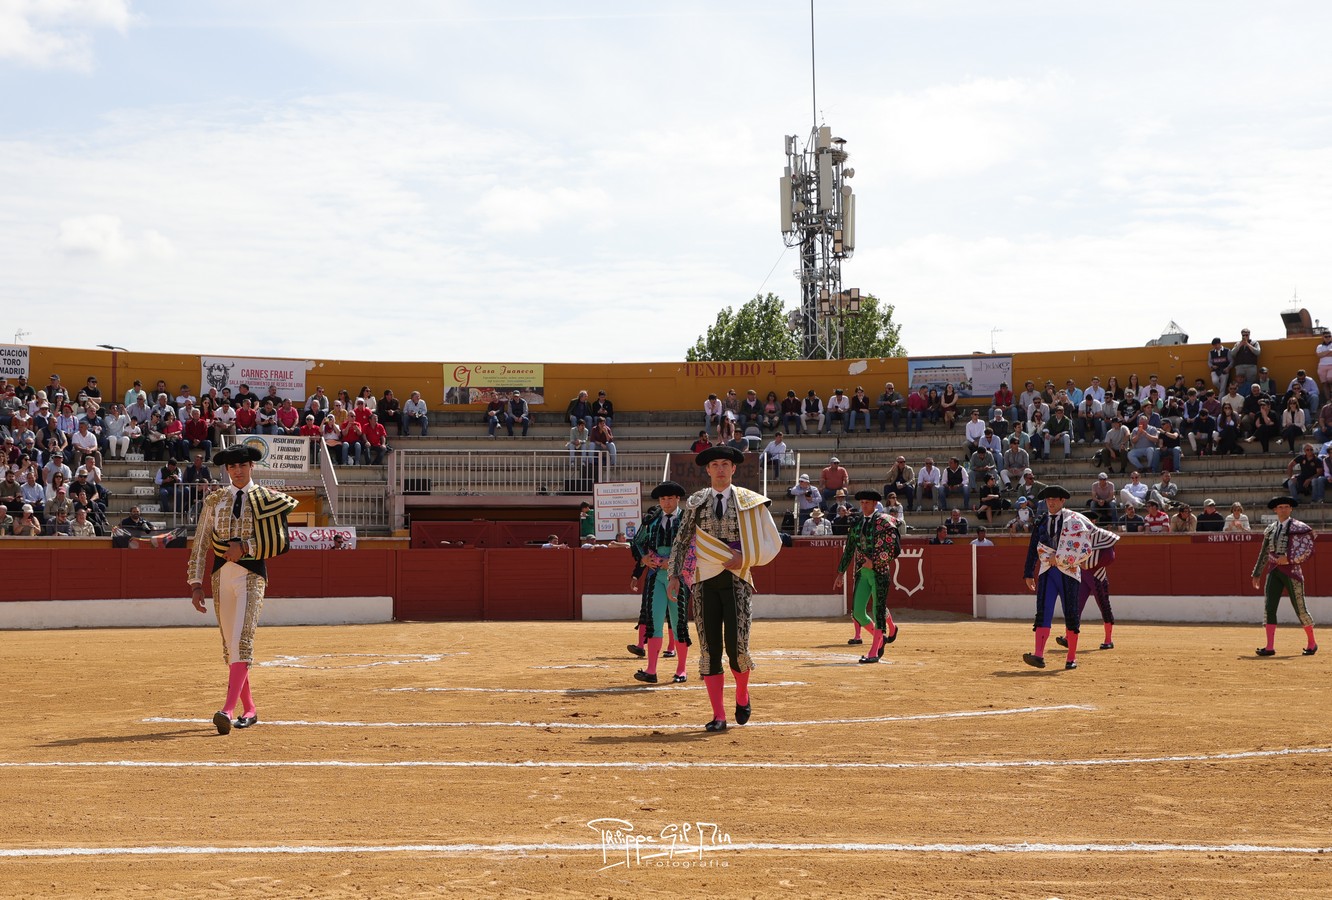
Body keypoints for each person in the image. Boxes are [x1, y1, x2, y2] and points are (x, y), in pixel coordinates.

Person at [667, 446, 782, 733]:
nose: (720, 469)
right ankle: (718, 715)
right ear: (707, 470)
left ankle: (742, 695)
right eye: (715, 465)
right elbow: (681, 541)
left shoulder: (750, 501)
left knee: (737, 646)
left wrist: (747, 558)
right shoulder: (696, 502)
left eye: (725, 464)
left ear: (733, 469)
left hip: (737, 580)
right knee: (710, 649)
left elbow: (772, 541)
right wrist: (674, 575)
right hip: (704, 581)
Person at [187, 445, 299, 735]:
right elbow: (200, 543)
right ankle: (250, 709)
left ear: (252, 467)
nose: (238, 470)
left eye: (243, 465)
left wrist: (246, 547)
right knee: (231, 647)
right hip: (220, 577)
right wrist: (195, 583)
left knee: (242, 639)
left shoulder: (266, 498)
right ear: (226, 470)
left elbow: (281, 541)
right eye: (232, 466)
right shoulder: (215, 501)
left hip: (251, 575)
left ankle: (227, 709)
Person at [1022, 484, 1112, 670]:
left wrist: (1061, 556)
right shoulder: (1041, 521)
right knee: (1042, 612)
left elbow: (1083, 545)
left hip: (1069, 572)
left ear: (1063, 501)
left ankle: (1071, 658)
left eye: (1055, 499)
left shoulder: (1074, 520)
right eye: (1048, 499)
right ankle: (1038, 655)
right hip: (1047, 571)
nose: (1051, 502)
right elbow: (1032, 547)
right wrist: (1028, 573)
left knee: (1071, 613)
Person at [630, 482, 692, 685]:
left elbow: (694, 546)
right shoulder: (652, 520)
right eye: (662, 499)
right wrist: (644, 558)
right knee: (655, 620)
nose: (666, 503)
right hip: (656, 575)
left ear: (677, 499)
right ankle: (651, 669)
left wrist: (675, 563)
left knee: (678, 622)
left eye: (670, 499)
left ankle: (681, 669)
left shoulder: (687, 520)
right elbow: (637, 542)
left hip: (680, 577)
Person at [834, 490, 902, 663]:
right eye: (862, 502)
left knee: (878, 609)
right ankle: (882, 636)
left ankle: (874, 651)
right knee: (857, 612)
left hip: (879, 571)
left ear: (874, 504)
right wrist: (841, 572)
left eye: (867, 503)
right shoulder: (857, 523)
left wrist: (875, 561)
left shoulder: (884, 522)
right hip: (862, 573)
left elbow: (894, 548)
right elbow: (849, 548)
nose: (863, 505)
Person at [1252, 496, 1318, 657]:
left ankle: (1312, 643)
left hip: (1292, 571)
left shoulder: (1299, 527)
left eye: (1286, 507)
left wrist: (1289, 559)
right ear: (1275, 510)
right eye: (1280, 507)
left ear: (1291, 509)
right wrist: (1257, 573)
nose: (1283, 509)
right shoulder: (1270, 529)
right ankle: (1269, 646)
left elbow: (1308, 549)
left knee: (1300, 608)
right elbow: (1265, 553)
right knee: (1270, 608)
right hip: (1274, 570)